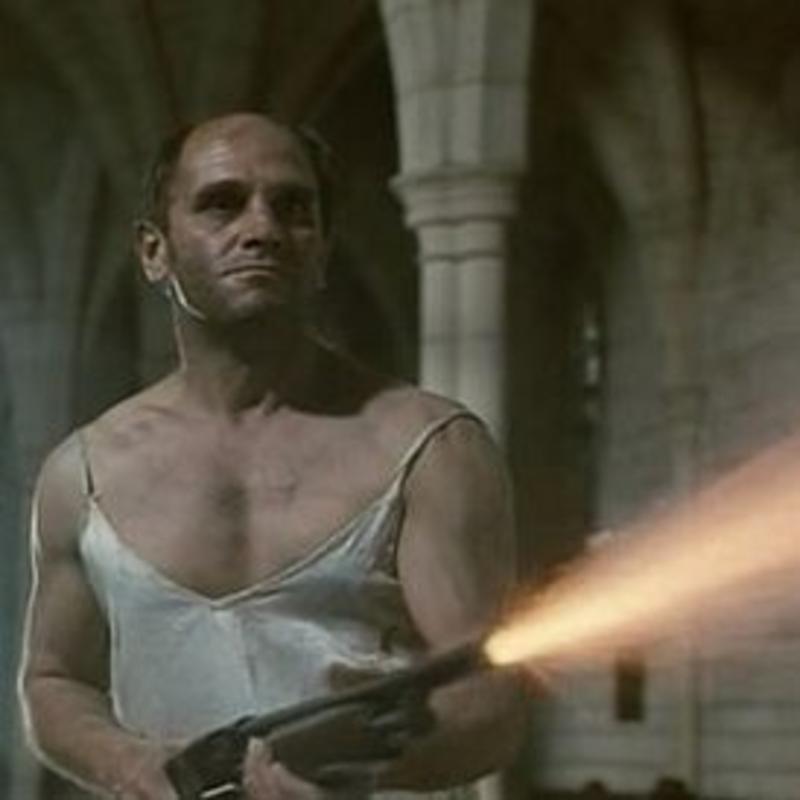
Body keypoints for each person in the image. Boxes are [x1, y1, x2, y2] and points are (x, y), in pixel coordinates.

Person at [18, 112, 525, 799]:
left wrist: (355, 773)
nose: (262, 229)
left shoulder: (430, 446)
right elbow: (55, 679)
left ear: (321, 250)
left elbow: (489, 696)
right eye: (221, 204)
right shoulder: (83, 473)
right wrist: (125, 762)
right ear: (154, 251)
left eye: (293, 207)